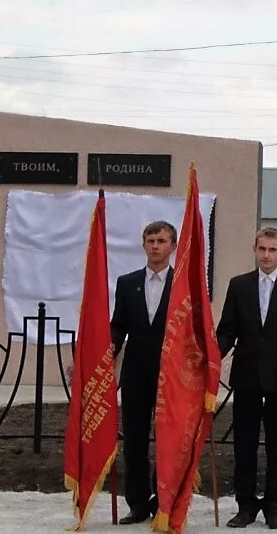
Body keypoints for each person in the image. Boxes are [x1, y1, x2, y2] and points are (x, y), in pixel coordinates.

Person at [217, 228, 277, 530]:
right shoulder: (239, 285)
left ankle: (272, 504)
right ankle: (245, 505)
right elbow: (227, 330)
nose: (267, 255)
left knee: (275, 443)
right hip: (246, 377)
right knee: (243, 443)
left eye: (272, 250)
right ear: (254, 249)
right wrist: (211, 356)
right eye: (262, 249)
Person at [110, 220, 177, 524]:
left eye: (161, 241)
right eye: (150, 240)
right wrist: (106, 352)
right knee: (134, 441)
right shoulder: (127, 282)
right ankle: (137, 503)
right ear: (143, 244)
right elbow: (118, 326)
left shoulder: (184, 284)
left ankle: (164, 501)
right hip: (136, 374)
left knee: (168, 440)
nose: (155, 246)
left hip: (170, 375)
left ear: (172, 246)